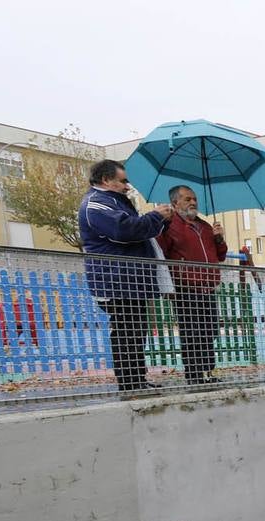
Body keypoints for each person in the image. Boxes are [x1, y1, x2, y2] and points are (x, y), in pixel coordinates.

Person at [78, 159, 172, 393]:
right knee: (126, 331)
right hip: (116, 281)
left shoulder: (113, 202)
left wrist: (161, 221)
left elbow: (138, 230)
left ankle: (136, 379)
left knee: (136, 330)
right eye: (123, 181)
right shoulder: (96, 204)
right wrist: (156, 216)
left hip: (130, 280)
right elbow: (125, 231)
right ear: (106, 180)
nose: (127, 186)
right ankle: (130, 382)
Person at [156, 185, 227, 384]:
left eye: (194, 199)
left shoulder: (204, 227)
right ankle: (194, 375)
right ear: (175, 203)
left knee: (209, 330)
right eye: (187, 199)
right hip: (185, 287)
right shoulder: (169, 226)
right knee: (192, 332)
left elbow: (220, 255)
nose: (193, 202)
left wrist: (219, 238)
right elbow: (161, 253)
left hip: (208, 286)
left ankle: (208, 372)